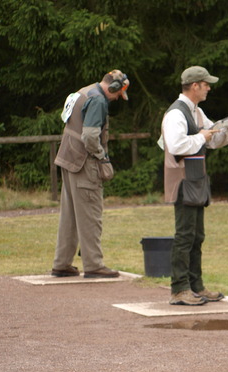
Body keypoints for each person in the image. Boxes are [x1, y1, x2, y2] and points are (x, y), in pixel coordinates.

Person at [161, 66, 228, 306]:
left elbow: (215, 140)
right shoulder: (176, 114)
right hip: (182, 181)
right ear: (194, 86)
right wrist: (203, 136)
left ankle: (195, 285)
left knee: (197, 235)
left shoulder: (196, 112)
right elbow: (177, 145)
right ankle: (179, 288)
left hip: (196, 179)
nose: (209, 87)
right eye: (206, 84)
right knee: (184, 236)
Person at [51, 70, 130, 278]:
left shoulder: (83, 92)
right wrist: (102, 157)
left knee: (70, 216)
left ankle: (62, 263)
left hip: (68, 158)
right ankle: (94, 265)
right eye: (117, 94)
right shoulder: (98, 101)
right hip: (84, 163)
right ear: (112, 88)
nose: (116, 99)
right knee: (90, 214)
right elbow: (90, 137)